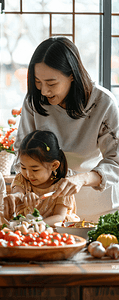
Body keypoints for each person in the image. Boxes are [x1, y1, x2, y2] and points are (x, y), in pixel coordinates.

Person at [14, 36, 119, 222]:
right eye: (38, 82)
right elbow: (21, 151)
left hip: (98, 207)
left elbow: (116, 161)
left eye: (51, 83)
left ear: (72, 74)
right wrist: (20, 191)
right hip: (47, 211)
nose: (44, 91)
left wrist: (82, 179)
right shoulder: (34, 101)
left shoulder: (103, 103)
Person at [4, 130, 79, 226]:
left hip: (57, 233)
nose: (28, 174)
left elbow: (60, 216)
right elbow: (18, 192)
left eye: (35, 170)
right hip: (28, 233)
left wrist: (36, 225)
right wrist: (15, 197)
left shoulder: (62, 186)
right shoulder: (22, 179)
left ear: (54, 165)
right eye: (23, 167)